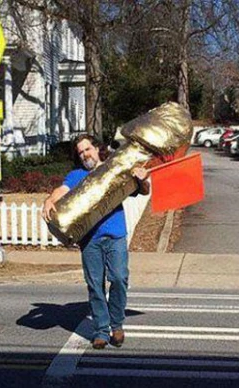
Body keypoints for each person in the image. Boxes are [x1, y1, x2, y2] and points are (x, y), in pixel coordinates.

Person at [42, 134, 150, 350]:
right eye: (81, 152)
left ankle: (116, 324)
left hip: (116, 235)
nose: (85, 155)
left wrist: (141, 177)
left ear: (97, 148)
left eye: (87, 149)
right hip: (89, 239)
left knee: (119, 278)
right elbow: (61, 191)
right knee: (95, 286)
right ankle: (101, 330)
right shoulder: (76, 176)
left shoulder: (114, 169)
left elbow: (143, 189)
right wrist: (49, 200)